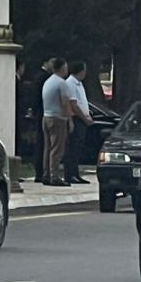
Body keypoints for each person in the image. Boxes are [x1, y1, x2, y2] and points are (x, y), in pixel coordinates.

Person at [40, 58, 71, 186]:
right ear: (62, 68)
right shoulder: (61, 83)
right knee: (57, 149)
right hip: (58, 118)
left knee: (48, 148)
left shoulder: (48, 81)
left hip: (46, 116)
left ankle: (46, 174)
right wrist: (69, 119)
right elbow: (65, 103)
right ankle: (55, 176)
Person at [63, 60, 95, 185]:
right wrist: (84, 118)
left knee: (78, 148)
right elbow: (73, 104)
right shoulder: (70, 83)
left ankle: (75, 173)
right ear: (80, 71)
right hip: (77, 118)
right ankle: (70, 174)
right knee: (72, 148)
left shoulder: (79, 84)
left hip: (82, 118)